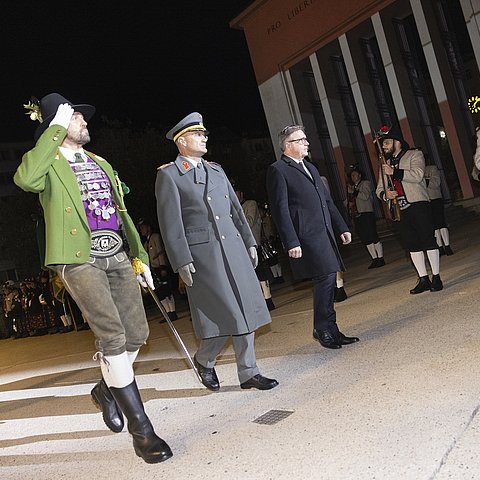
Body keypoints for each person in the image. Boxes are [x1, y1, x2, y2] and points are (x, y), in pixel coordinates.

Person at [14, 93, 172, 464]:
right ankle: (143, 433)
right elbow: (25, 178)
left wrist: (140, 255)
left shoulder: (100, 160)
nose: (85, 122)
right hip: (78, 259)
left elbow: (121, 212)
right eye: (76, 117)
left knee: (137, 334)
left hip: (117, 254)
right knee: (113, 337)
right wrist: (51, 131)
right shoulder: (47, 163)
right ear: (57, 125)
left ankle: (106, 391)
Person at [155, 112, 278, 392]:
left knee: (246, 308)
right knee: (222, 313)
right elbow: (170, 223)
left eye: (204, 134)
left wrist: (249, 241)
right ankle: (205, 360)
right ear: (182, 141)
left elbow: (236, 210)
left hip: (233, 248)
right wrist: (181, 260)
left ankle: (249, 372)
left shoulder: (216, 170)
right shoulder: (170, 176)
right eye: (198, 135)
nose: (204, 138)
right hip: (204, 256)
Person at [266, 124, 359, 349]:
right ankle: (322, 328)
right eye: (301, 140)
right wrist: (291, 241)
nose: (307, 143)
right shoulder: (278, 170)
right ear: (289, 145)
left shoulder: (310, 167)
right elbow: (280, 210)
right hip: (306, 235)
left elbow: (326, 201)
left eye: (306, 139)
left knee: (328, 278)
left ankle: (331, 329)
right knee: (325, 278)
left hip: (324, 232)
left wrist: (342, 227)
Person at [375, 125, 443, 294]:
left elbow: (418, 175)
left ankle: (436, 277)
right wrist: (385, 194)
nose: (384, 146)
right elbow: (378, 189)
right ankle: (423, 279)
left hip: (418, 205)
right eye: (383, 143)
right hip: (399, 209)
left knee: (428, 239)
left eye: (387, 142)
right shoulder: (385, 163)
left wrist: (395, 172)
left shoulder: (414, 154)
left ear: (398, 142)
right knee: (412, 244)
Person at [235, 188, 275, 311]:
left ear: (241, 193)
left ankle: (268, 298)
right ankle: (258, 300)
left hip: (253, 243)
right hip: (240, 246)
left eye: (236, 192)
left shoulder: (250, 204)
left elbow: (249, 221)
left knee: (260, 271)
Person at [138, 218, 178, 320]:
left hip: (160, 267)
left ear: (148, 227)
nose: (141, 230)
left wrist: (163, 267)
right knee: (160, 292)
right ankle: (168, 313)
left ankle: (172, 312)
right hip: (154, 269)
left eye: (143, 227)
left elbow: (160, 252)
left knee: (166, 291)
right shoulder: (147, 241)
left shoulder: (155, 237)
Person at [347, 166, 385, 268]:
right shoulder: (351, 187)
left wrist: (354, 192)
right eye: (352, 175)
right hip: (357, 214)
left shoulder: (365, 183)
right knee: (365, 237)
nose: (353, 177)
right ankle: (374, 258)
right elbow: (348, 201)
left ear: (359, 175)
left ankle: (381, 257)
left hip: (366, 212)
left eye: (355, 175)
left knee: (372, 234)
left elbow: (365, 196)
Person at [424, 163, 453, 256]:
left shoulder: (431, 168)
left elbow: (435, 183)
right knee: (434, 226)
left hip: (435, 199)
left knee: (441, 223)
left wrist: (422, 180)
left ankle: (447, 245)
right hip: (425, 201)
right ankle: (440, 247)